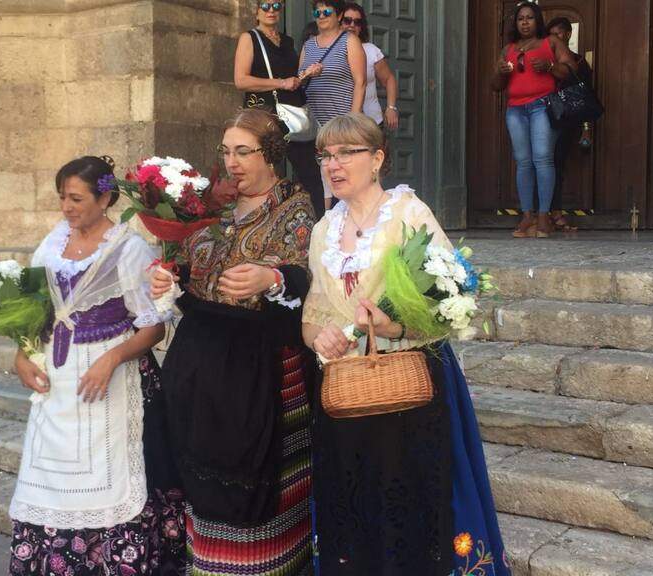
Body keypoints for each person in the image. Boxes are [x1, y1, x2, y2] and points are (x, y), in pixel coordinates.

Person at [302, 113, 511, 576]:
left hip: (409, 389)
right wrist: (322, 336)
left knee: (416, 507)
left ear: (377, 159)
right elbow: (312, 316)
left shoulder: (408, 214)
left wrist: (392, 327)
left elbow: (453, 302)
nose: (333, 164)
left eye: (346, 153)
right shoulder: (323, 230)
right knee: (354, 507)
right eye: (325, 156)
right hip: (346, 394)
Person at [152, 109, 316, 576]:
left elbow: (307, 279)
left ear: (272, 154)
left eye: (243, 152)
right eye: (226, 151)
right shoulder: (212, 205)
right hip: (200, 366)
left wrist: (272, 278)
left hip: (259, 369)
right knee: (202, 487)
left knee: (257, 491)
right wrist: (169, 279)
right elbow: (188, 265)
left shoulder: (295, 206)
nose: (231, 162)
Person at [9, 156, 186, 575]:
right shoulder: (52, 243)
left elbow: (153, 327)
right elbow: (34, 312)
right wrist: (21, 355)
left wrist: (112, 358)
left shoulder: (128, 248)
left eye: (76, 198)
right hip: (58, 380)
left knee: (114, 476)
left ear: (104, 198)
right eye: (62, 198)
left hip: (113, 378)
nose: (66, 207)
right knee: (51, 481)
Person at [234, 1, 327, 218]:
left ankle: (316, 224)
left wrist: (306, 74)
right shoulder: (250, 38)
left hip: (292, 114)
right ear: (256, 10)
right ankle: (255, 222)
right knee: (261, 172)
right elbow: (241, 80)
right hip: (265, 116)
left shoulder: (287, 41)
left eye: (276, 5)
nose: (271, 10)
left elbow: (291, 79)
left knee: (311, 173)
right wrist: (281, 83)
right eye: (265, 6)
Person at [491, 1, 576, 238]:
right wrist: (500, 73)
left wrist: (550, 66)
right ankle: (527, 215)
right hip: (515, 110)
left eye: (529, 18)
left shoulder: (551, 42)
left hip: (542, 107)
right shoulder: (508, 49)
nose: (525, 22)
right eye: (521, 19)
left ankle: (543, 216)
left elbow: (571, 70)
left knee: (542, 158)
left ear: (537, 20)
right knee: (523, 162)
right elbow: (495, 85)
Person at [300, 0, 366, 209]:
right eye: (317, 12)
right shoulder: (308, 45)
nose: (321, 16)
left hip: (340, 123)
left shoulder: (349, 41)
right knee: (318, 180)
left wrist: (352, 122)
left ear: (338, 16)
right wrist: (307, 73)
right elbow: (298, 82)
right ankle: (323, 221)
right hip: (313, 125)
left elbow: (360, 82)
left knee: (343, 176)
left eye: (326, 11)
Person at [546, 16, 595, 232]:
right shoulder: (543, 59)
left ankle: (555, 212)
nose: (554, 39)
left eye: (558, 34)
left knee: (556, 163)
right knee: (538, 163)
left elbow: (585, 99)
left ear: (567, 34)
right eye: (551, 35)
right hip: (543, 117)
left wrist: (586, 130)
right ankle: (540, 214)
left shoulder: (579, 63)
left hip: (566, 121)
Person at [342, 2, 399, 130]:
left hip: (371, 123)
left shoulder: (371, 50)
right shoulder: (328, 49)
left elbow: (389, 79)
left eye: (357, 22)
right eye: (347, 20)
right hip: (338, 124)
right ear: (338, 21)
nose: (352, 25)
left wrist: (391, 108)